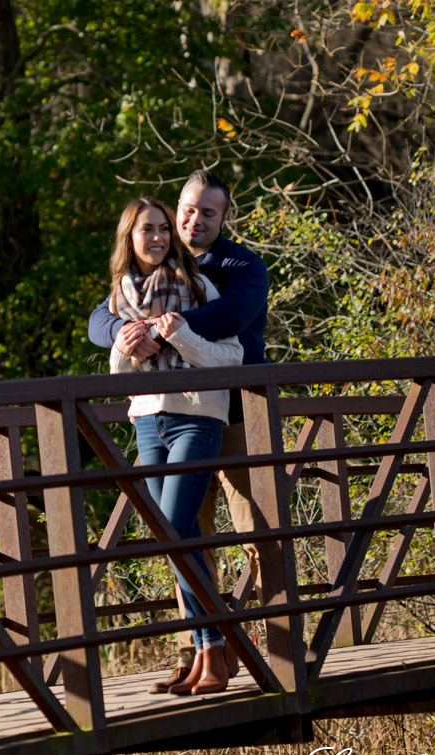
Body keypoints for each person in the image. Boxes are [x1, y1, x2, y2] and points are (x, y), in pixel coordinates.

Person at [88, 170, 271, 694]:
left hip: (232, 412)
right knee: (181, 531)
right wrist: (125, 335)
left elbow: (232, 317)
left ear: (223, 217)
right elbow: (100, 321)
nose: (193, 221)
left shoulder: (235, 267)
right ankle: (203, 648)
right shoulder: (142, 279)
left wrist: (166, 328)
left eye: (207, 213)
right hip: (157, 414)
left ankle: (275, 644)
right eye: (186, 210)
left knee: (256, 532)